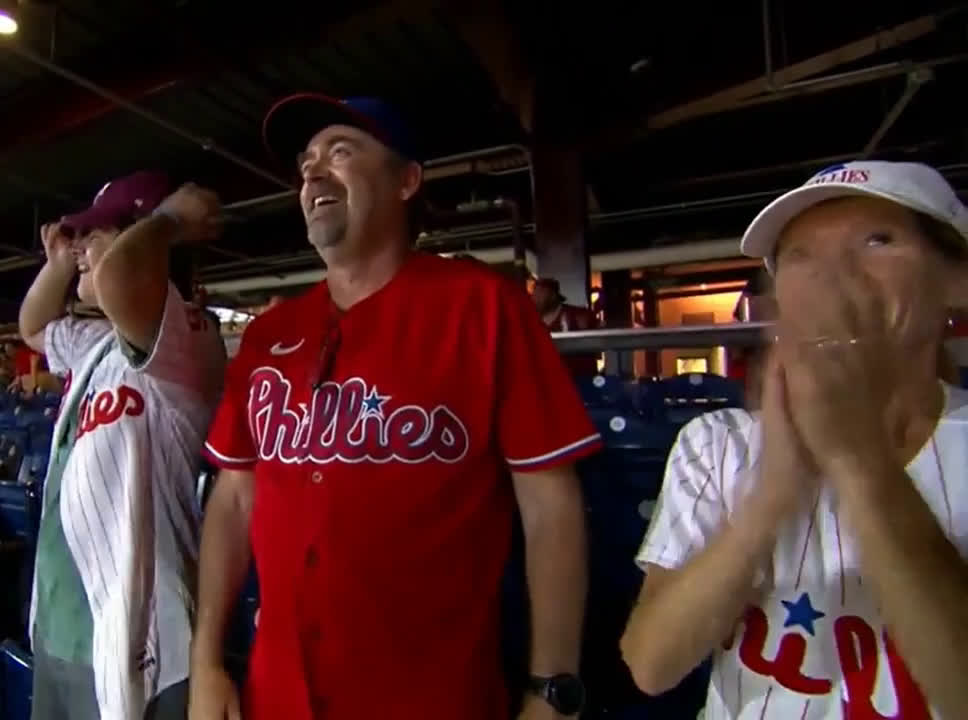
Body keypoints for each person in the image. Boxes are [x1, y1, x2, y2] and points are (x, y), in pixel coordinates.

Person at [192, 94, 599, 720]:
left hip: (431, 699)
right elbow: (233, 499)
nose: (313, 173)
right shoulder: (268, 337)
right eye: (306, 163)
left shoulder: (485, 310)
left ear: (407, 180)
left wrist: (552, 690)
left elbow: (550, 504)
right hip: (276, 696)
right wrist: (207, 662)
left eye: (341, 153)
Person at [620, 161, 968, 719]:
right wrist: (771, 497)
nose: (831, 278)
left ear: (958, 280)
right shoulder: (718, 443)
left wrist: (858, 461)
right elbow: (651, 665)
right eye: (800, 256)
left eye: (877, 240)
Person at [18, 170, 228, 720]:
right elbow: (34, 326)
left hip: (141, 633)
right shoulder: (97, 342)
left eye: (99, 234)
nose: (83, 247)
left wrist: (170, 223)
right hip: (63, 621)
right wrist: (59, 265)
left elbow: (122, 279)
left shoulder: (185, 333)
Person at [529, 276, 600, 376]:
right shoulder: (531, 321)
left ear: (553, 296)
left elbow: (599, 340)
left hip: (579, 380)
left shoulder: (577, 315)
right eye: (534, 295)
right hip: (549, 379)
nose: (535, 299)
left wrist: (584, 329)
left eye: (540, 294)